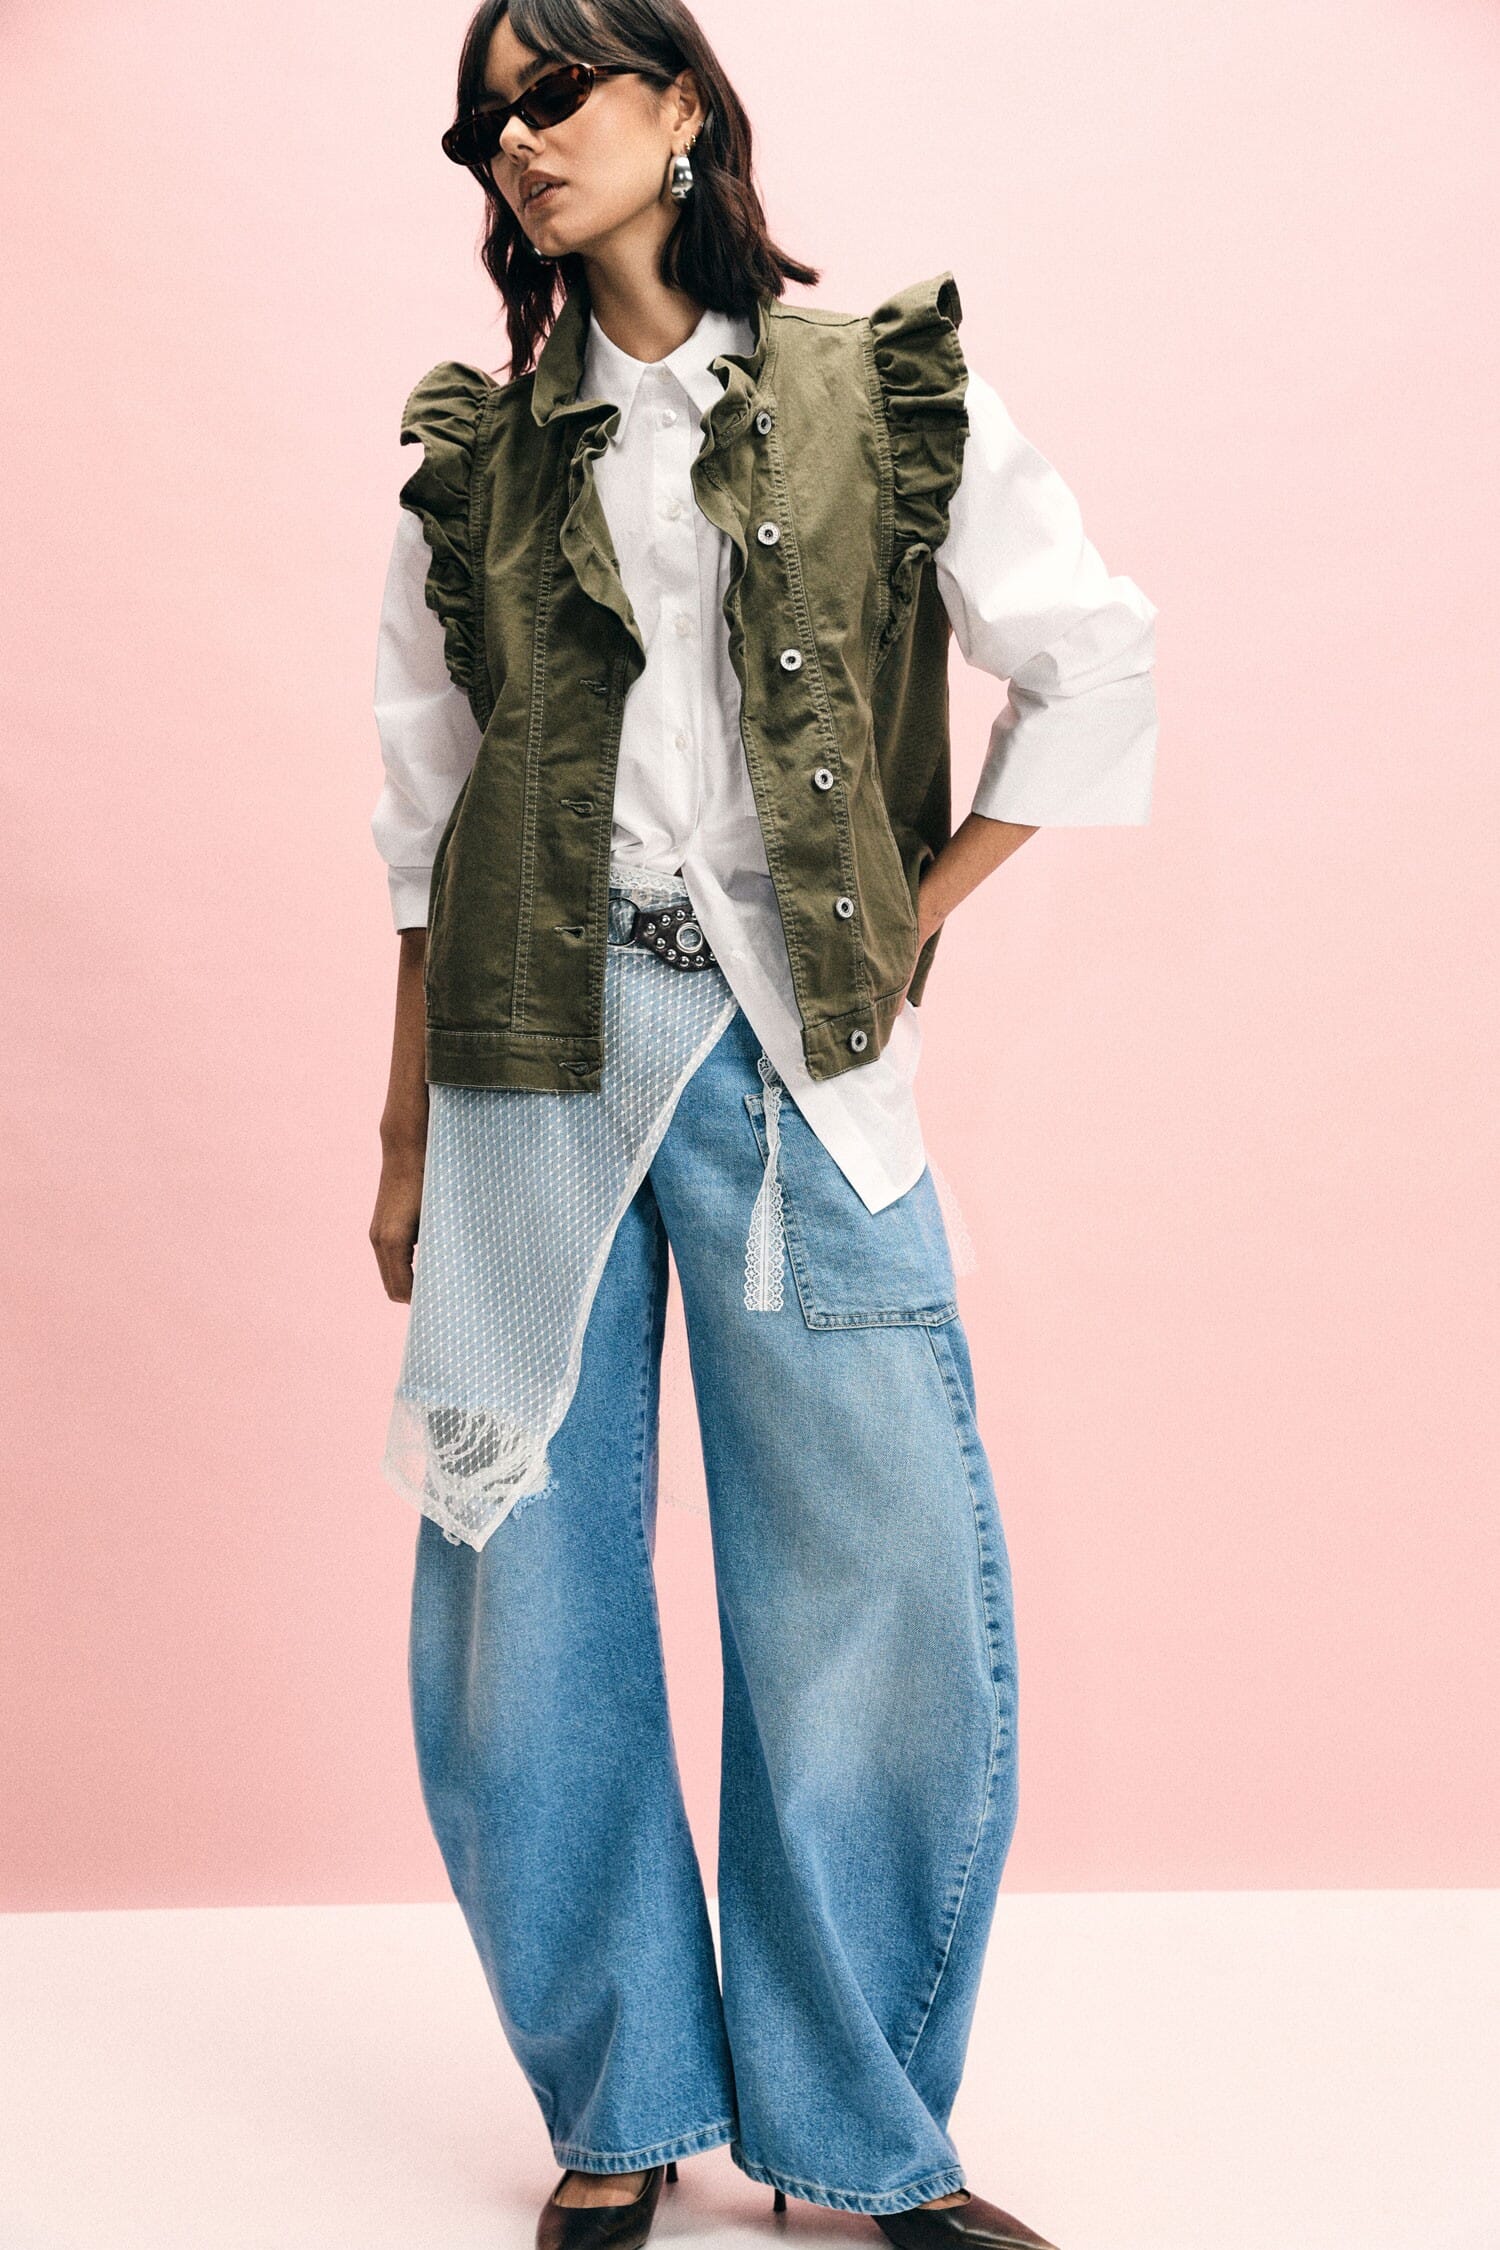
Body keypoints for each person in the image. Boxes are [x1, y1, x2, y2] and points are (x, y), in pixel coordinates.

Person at [368, 5, 1158, 2247]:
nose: (520, 144)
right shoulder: (478, 457)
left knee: (874, 1587)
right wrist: (402, 1132)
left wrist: (914, 909)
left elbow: (1094, 653)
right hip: (525, 1050)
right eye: (487, 122)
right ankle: (618, 2100)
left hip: (796, 1054)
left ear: (681, 107)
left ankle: (863, 2136)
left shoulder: (873, 394)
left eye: (558, 93)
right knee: (523, 1598)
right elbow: (422, 815)